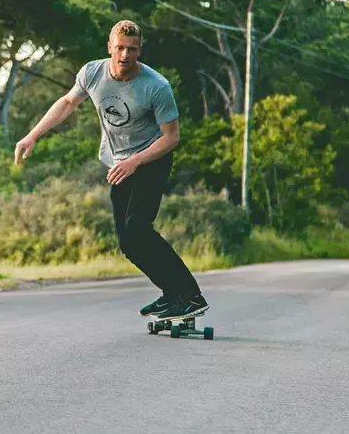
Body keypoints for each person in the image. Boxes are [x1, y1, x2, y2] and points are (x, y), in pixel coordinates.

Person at [13, 20, 209, 321]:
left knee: (138, 227)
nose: (125, 55)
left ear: (139, 51)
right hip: (118, 163)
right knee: (128, 244)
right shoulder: (92, 73)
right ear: (109, 47)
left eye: (131, 50)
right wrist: (33, 135)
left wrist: (135, 161)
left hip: (150, 160)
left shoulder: (156, 87)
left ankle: (191, 295)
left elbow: (172, 137)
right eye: (119, 48)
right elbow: (67, 103)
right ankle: (172, 293)